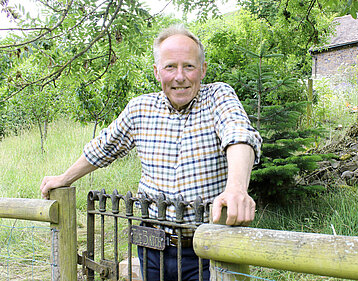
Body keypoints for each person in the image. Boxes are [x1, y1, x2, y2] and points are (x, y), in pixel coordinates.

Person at [40, 24, 262, 280]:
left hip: (207, 248)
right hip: (151, 245)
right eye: (170, 67)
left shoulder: (218, 97)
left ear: (203, 69)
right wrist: (64, 179)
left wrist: (236, 188)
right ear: (157, 72)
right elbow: (103, 147)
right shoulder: (140, 108)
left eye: (188, 66)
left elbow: (239, 135)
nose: (180, 76)